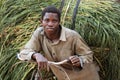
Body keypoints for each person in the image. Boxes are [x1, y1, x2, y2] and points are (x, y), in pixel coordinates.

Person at [18, 6, 99, 80]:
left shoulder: (72, 36)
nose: (50, 24)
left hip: (85, 77)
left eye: (54, 21)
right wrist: (35, 55)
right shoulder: (39, 34)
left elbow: (88, 55)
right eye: (47, 20)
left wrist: (80, 61)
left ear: (59, 22)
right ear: (41, 21)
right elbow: (23, 53)